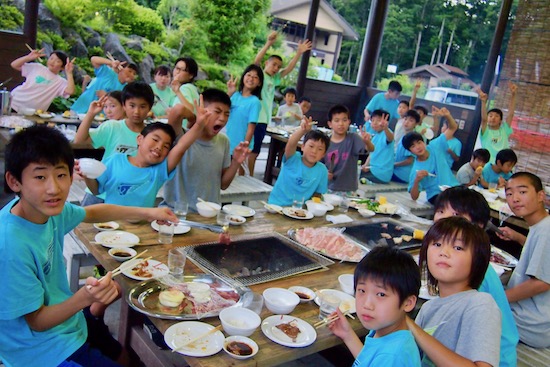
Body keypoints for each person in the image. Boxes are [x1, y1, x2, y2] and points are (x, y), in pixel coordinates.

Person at [0, 125, 178, 367]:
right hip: (38, 350)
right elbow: (37, 322)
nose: (54, 188)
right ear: (14, 181)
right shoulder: (10, 243)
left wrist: (148, 211)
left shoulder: (49, 211)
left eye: (61, 175)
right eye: (40, 177)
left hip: (68, 322)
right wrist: (85, 298)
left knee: (123, 355)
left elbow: (93, 211)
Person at [433, 186, 519, 367]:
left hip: (493, 359)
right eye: (440, 211)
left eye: (456, 215)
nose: (443, 219)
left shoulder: (475, 273)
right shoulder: (460, 262)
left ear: (478, 227)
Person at [407, 217, 502, 366]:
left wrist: (411, 326)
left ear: (478, 260)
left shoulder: (480, 304)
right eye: (437, 244)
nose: (444, 252)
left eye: (458, 248)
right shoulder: (427, 309)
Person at [328, 246, 421, 366]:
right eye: (362, 291)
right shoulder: (386, 331)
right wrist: (348, 335)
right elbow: (368, 362)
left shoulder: (392, 357)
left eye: (381, 294)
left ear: (407, 303)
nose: (367, 304)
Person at [80, 118, 205, 207]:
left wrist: (199, 124)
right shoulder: (115, 160)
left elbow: (181, 146)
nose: (159, 147)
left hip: (141, 230)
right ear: (140, 139)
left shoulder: (159, 171)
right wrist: (87, 176)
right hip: (110, 226)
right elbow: (97, 190)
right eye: (155, 140)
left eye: (166, 146)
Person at [161, 89, 249, 212]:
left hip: (209, 213)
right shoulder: (181, 136)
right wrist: (194, 119)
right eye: (217, 112)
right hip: (176, 213)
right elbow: (178, 110)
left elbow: (223, 185)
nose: (222, 118)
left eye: (227, 114)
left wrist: (236, 162)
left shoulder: (224, 141)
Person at [74, 82, 157, 206]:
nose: (136, 111)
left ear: (150, 108)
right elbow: (79, 141)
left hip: (128, 197)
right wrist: (90, 114)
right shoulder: (112, 127)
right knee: (84, 225)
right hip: (100, 192)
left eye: (142, 106)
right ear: (124, 105)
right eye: (132, 105)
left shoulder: (151, 136)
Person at [249, 30, 313, 175]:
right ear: (267, 63)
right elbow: (256, 62)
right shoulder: (260, 76)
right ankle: (244, 176)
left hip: (264, 120)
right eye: (274, 65)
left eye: (278, 66)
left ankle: (249, 177)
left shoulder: (274, 78)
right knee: (248, 150)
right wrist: (269, 43)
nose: (276, 68)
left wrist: (299, 53)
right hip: (253, 117)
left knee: (255, 152)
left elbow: (288, 69)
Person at [504, 172, 550, 348]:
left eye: (522, 192)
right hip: (533, 316)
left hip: (531, 324)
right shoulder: (540, 226)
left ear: (540, 196)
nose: (515, 198)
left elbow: (541, 283)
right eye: (509, 193)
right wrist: (518, 238)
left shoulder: (546, 231)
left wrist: (498, 298)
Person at [403, 106, 460, 205]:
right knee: (454, 205)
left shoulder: (435, 145)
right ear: (410, 151)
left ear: (423, 142)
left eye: (419, 142)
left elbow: (453, 127)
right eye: (413, 146)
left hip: (453, 188)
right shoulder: (416, 169)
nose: (418, 147)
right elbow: (414, 197)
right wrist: (417, 180)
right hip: (436, 195)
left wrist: (447, 116)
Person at [268, 118, 329, 206]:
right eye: (311, 146)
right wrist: (302, 130)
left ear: (324, 154)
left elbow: (318, 194)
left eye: (320, 149)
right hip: (276, 205)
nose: (314, 151)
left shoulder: (322, 170)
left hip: (300, 211)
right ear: (303, 147)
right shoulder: (293, 159)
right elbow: (291, 144)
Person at [323, 104, 373, 192]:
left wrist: (367, 142)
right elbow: (318, 164)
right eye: (337, 120)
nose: (341, 124)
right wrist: (324, 173)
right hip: (328, 187)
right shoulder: (325, 142)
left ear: (349, 122)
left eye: (344, 120)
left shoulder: (353, 138)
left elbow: (371, 149)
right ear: (330, 124)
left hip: (349, 188)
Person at [10, 48, 75, 113]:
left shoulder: (60, 81)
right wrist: (28, 57)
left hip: (33, 113)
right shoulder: (37, 67)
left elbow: (70, 91)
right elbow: (14, 65)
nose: (52, 62)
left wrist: (69, 73)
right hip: (14, 103)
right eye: (51, 58)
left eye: (57, 61)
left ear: (62, 67)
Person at [71, 56, 137, 113]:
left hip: (101, 116)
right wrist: (111, 63)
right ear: (120, 68)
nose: (131, 75)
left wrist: (107, 96)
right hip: (81, 109)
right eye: (130, 71)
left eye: (134, 74)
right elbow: (94, 59)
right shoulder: (108, 73)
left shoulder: (126, 89)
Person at [225, 64, 263, 156]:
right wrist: (230, 92)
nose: (251, 78)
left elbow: (251, 128)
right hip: (227, 142)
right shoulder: (235, 95)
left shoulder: (255, 102)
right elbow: (222, 108)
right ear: (243, 77)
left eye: (255, 77)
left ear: (259, 83)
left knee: (237, 170)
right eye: (249, 75)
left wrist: (245, 146)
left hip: (240, 146)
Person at [478, 82, 517, 163]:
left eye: (496, 116)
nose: (493, 118)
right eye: (490, 116)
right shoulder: (485, 132)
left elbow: (510, 114)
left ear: (500, 120)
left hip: (503, 166)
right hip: (488, 165)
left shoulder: (504, 130)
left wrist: (513, 95)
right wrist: (483, 102)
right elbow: (484, 119)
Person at [360, 109, 394, 184]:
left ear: (386, 122)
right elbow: (371, 154)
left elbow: (390, 138)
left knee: (353, 177)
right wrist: (365, 165)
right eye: (372, 120)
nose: (374, 123)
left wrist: (385, 128)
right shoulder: (375, 136)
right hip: (373, 170)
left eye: (378, 120)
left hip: (381, 174)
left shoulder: (387, 133)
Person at [170, 57, 199, 129]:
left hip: (183, 130)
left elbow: (190, 111)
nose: (177, 72)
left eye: (181, 70)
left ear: (191, 75)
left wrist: (178, 92)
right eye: (176, 68)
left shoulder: (185, 88)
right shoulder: (192, 88)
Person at [392, 110, 419, 183]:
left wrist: (393, 165)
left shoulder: (411, 138)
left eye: (411, 120)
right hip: (397, 171)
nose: (406, 122)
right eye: (405, 119)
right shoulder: (404, 136)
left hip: (402, 175)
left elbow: (409, 160)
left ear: (416, 124)